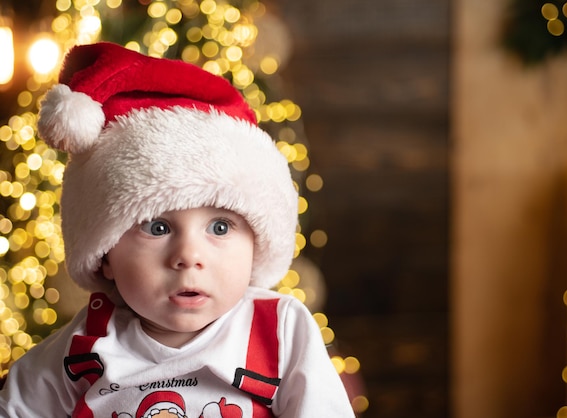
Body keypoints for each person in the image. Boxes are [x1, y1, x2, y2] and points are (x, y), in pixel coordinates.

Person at [0, 42, 354, 417]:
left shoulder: (279, 330)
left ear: (256, 244)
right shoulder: (81, 350)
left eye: (220, 226)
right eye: (157, 227)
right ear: (106, 254)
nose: (188, 256)